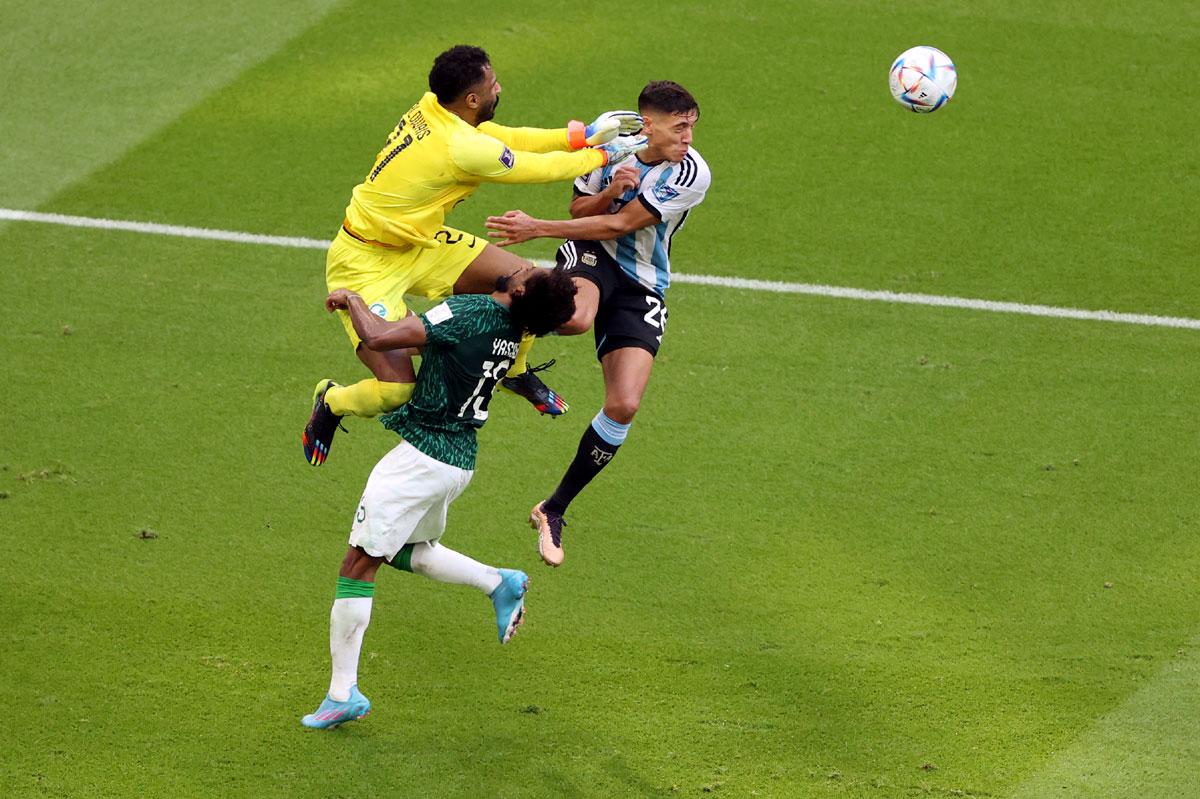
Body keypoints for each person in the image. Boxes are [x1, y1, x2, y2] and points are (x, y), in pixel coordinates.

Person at [302, 44, 646, 467]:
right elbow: (533, 168)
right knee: (396, 391)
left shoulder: (435, 108)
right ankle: (332, 400)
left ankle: (514, 370)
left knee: (531, 282)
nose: (498, 88)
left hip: (421, 242)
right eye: (492, 85)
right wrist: (606, 154)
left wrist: (584, 134)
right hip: (364, 262)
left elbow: (508, 137)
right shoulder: (459, 146)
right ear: (471, 99)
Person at [301, 264, 578, 729]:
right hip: (458, 460)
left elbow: (380, 338)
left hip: (421, 460)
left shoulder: (471, 311)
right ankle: (498, 582)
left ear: (519, 289)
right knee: (408, 550)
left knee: (358, 565)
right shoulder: (512, 331)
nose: (525, 264)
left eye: (531, 270)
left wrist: (352, 302)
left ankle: (341, 692)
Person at [485, 81, 710, 568]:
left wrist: (536, 227)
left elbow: (619, 225)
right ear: (648, 124)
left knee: (624, 404)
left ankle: (552, 509)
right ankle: (501, 337)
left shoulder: (692, 172)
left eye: (692, 126)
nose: (688, 137)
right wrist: (609, 188)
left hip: (643, 283)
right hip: (590, 257)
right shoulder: (613, 146)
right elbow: (581, 212)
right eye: (679, 127)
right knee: (575, 318)